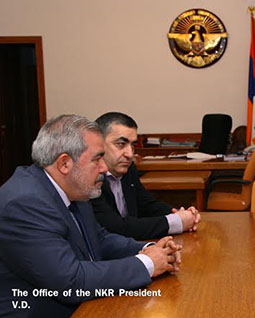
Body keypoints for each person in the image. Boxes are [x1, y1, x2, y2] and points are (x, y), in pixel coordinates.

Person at [0, 115, 183, 318]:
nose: (104, 168)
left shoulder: (74, 188)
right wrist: (146, 264)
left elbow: (100, 239)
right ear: (64, 163)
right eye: (97, 159)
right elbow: (70, 282)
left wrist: (150, 249)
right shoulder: (25, 203)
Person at [90, 112, 200, 240]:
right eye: (121, 144)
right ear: (99, 144)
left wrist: (180, 214)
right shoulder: (91, 177)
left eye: (133, 145)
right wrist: (176, 222)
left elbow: (146, 204)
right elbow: (116, 228)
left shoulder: (128, 168)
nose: (130, 154)